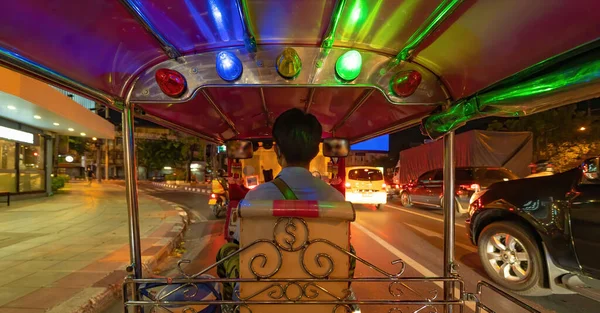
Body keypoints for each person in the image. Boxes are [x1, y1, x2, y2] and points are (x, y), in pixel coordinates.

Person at [217, 108, 355, 300]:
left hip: (263, 294)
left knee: (227, 251)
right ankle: (339, 297)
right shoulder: (336, 200)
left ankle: (233, 305)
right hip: (319, 294)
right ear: (316, 152)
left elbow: (241, 245)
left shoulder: (255, 198)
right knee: (350, 251)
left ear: (277, 150)